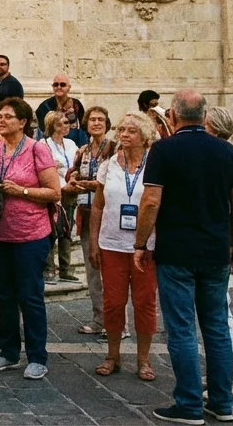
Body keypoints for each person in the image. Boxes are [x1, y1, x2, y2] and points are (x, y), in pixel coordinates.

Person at [135, 90, 233, 425]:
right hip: (215, 250)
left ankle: (188, 404)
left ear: (173, 114)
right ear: (204, 115)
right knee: (216, 326)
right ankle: (222, 402)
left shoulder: (164, 150)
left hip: (176, 251)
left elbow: (151, 201)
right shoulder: (227, 151)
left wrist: (140, 243)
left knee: (182, 328)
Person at [0, 98, 60, 381]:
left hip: (31, 234)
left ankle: (37, 356)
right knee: (4, 295)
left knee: (30, 296)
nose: (1, 120)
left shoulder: (37, 149)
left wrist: (21, 191)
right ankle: (9, 351)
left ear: (23, 122)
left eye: (8, 116)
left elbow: (54, 192)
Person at [88, 112, 158, 382]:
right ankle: (112, 355)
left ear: (145, 136)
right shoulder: (108, 166)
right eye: (122, 130)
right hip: (112, 243)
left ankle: (143, 359)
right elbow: (97, 205)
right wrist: (94, 241)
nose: (124, 135)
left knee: (144, 302)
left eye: (131, 131)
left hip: (146, 245)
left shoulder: (155, 165)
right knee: (113, 302)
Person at [203, 106, 233, 399]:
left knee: (220, 310)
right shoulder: (227, 155)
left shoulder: (220, 157)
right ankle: (220, 373)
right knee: (218, 310)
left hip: (223, 239)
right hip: (227, 238)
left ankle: (231, 377)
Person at [69, 107, 115, 337]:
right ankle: (99, 318)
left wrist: (89, 184)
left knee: (112, 272)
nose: (96, 123)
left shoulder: (114, 149)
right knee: (92, 271)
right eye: (92, 119)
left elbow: (113, 181)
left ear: (107, 124)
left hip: (109, 214)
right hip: (86, 213)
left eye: (101, 120)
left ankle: (117, 323)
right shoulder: (83, 151)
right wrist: (73, 177)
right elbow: (74, 173)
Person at [41, 111, 79, 285]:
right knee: (51, 230)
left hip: (69, 189)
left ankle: (65, 268)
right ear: (53, 126)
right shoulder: (44, 144)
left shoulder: (70, 144)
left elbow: (76, 164)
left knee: (67, 230)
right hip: (54, 190)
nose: (66, 126)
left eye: (67, 122)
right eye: (62, 123)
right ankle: (49, 268)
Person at [35, 75, 87, 146]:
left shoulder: (76, 104)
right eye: (56, 85)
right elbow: (43, 130)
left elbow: (84, 125)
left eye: (62, 85)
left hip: (76, 143)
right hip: (53, 143)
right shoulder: (44, 106)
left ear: (69, 87)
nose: (59, 87)